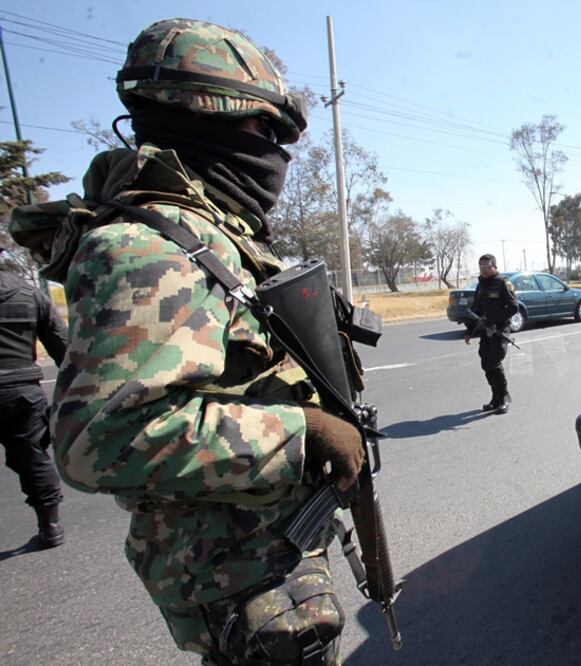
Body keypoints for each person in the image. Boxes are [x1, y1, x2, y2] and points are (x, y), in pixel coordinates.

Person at [10, 19, 365, 664]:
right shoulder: (148, 246)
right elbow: (99, 439)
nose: (276, 153)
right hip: (237, 581)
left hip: (267, 562)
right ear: (209, 119)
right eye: (266, 131)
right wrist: (301, 433)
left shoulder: (209, 238)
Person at [0, 255, 67, 549]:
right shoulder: (29, 292)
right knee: (33, 457)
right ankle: (50, 527)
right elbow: (62, 347)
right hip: (21, 392)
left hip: (20, 389)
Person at [463, 254, 518, 414]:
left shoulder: (503, 283)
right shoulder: (480, 285)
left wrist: (493, 319)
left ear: (494, 266)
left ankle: (504, 397)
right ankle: (495, 398)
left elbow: (514, 307)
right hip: (485, 331)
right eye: (481, 266)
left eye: (487, 266)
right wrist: (469, 331)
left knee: (494, 363)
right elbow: (476, 310)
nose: (484, 269)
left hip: (499, 330)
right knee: (486, 364)